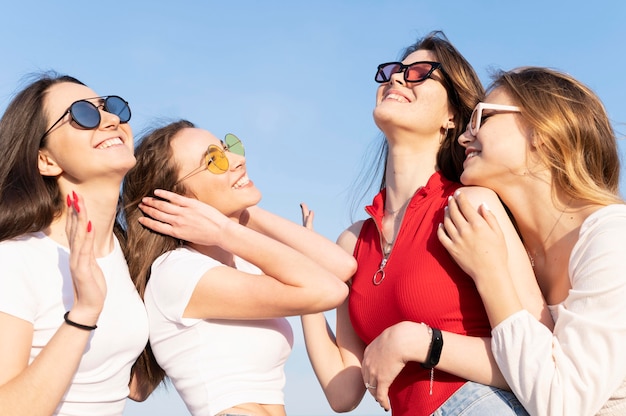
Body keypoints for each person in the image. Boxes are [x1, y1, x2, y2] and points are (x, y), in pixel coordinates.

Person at [300, 31, 553, 415]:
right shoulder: (352, 242)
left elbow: (540, 355)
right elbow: (344, 392)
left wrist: (420, 342)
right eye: (394, 72)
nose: (397, 79)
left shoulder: (469, 205)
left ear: (452, 117)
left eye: (419, 72)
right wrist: (304, 285)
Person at [121, 120, 356, 416]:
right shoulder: (177, 273)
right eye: (213, 160)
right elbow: (327, 290)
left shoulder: (240, 265)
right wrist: (225, 228)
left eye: (226, 147)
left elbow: (341, 268)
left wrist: (241, 212)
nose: (238, 159)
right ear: (180, 199)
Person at [438, 66, 626, 416]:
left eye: (483, 117)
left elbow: (563, 403)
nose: (465, 137)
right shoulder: (515, 244)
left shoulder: (613, 238)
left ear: (541, 130)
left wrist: (490, 274)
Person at [0, 73, 149, 415]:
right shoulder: (15, 259)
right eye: (83, 114)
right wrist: (83, 314)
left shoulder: (124, 252)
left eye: (110, 107)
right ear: (45, 160)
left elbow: (132, 386)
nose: (111, 120)